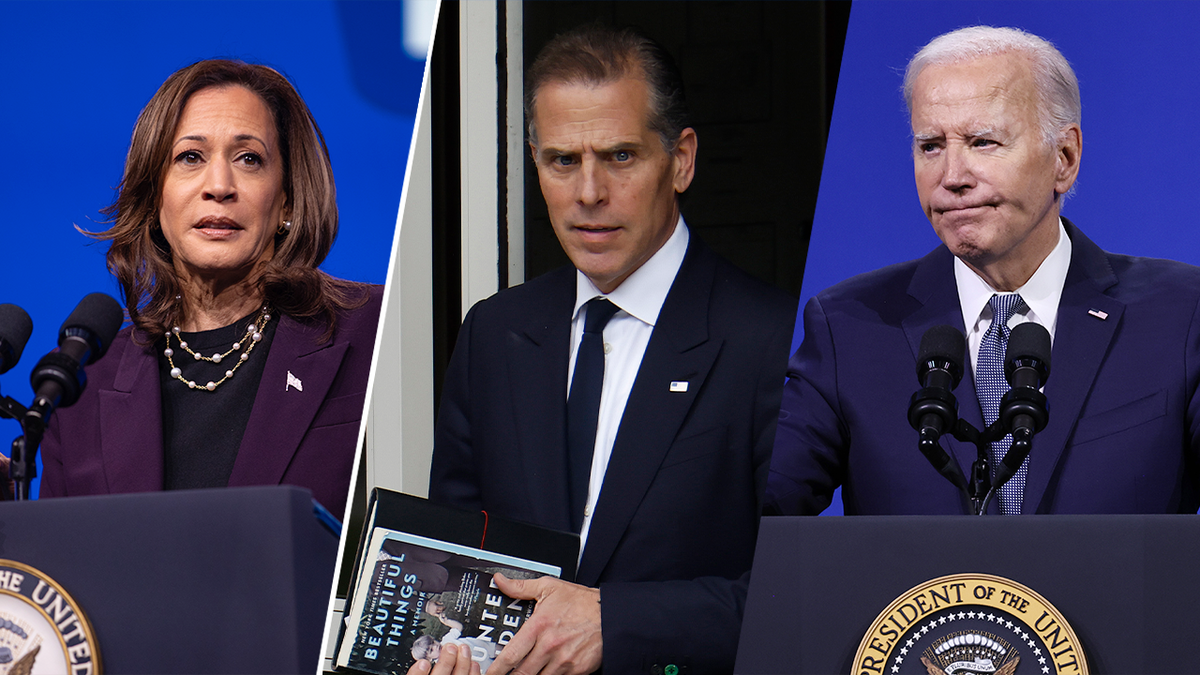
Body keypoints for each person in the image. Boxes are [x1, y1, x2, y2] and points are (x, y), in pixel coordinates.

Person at [417, 25, 795, 675]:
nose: (588, 193)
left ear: (681, 160)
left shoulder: (777, 341)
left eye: (619, 156)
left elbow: (805, 594)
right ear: (534, 161)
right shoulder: (494, 333)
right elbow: (447, 562)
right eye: (563, 160)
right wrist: (433, 649)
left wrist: (615, 622)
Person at [766, 26, 1200, 516]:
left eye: (983, 142)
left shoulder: (1181, 314)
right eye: (930, 145)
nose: (951, 177)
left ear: (1065, 158)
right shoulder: (847, 326)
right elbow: (760, 519)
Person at [38, 60, 382, 517]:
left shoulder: (374, 328)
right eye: (190, 158)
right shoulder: (82, 387)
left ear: (287, 201)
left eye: (249, 159)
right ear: (154, 194)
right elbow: (62, 578)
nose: (219, 186)